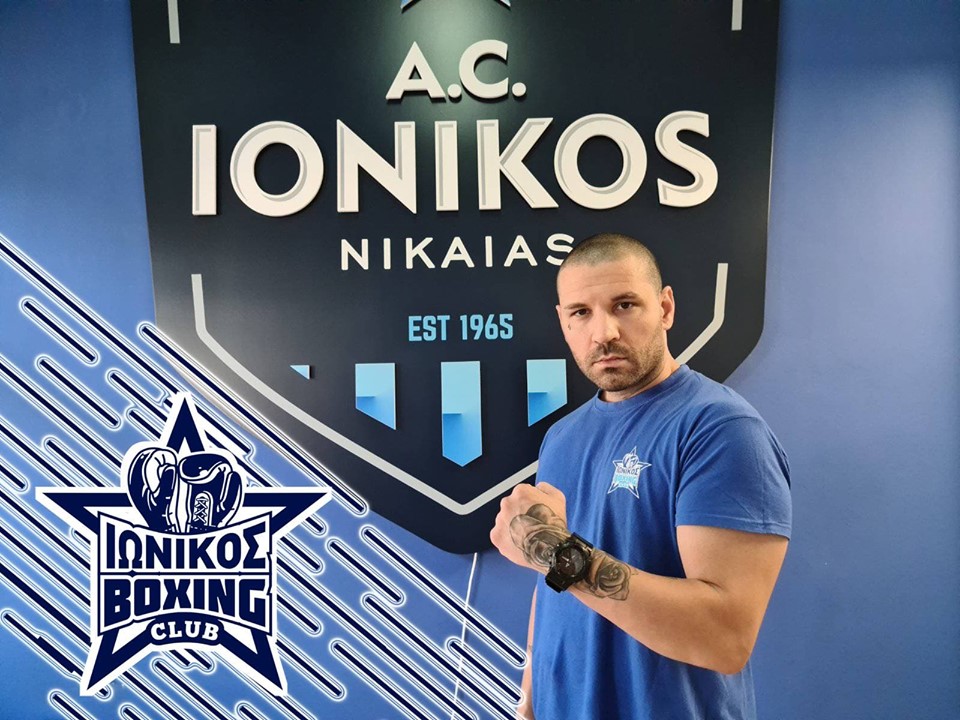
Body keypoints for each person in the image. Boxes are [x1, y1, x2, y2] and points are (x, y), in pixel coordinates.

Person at [490, 233, 792, 720]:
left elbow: (724, 637)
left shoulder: (720, 428)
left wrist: (558, 554)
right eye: (581, 312)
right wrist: (528, 703)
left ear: (665, 308)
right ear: (563, 322)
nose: (603, 332)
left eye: (624, 305)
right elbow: (553, 590)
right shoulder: (562, 437)